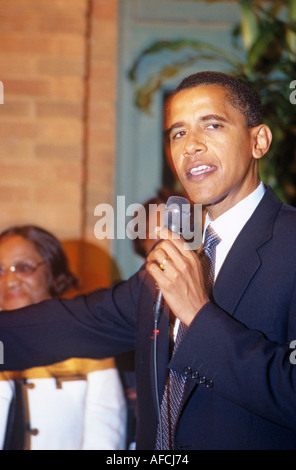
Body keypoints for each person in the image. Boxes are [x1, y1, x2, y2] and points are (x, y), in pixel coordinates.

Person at [0, 71, 296, 450]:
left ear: (259, 140)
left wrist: (199, 315)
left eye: (212, 125)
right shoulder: (179, 251)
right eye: (178, 133)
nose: (191, 146)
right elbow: (78, 323)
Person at [0, 225, 127, 450]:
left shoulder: (87, 344)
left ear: (52, 271)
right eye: (0, 270)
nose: (10, 281)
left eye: (23, 268)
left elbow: (105, 439)